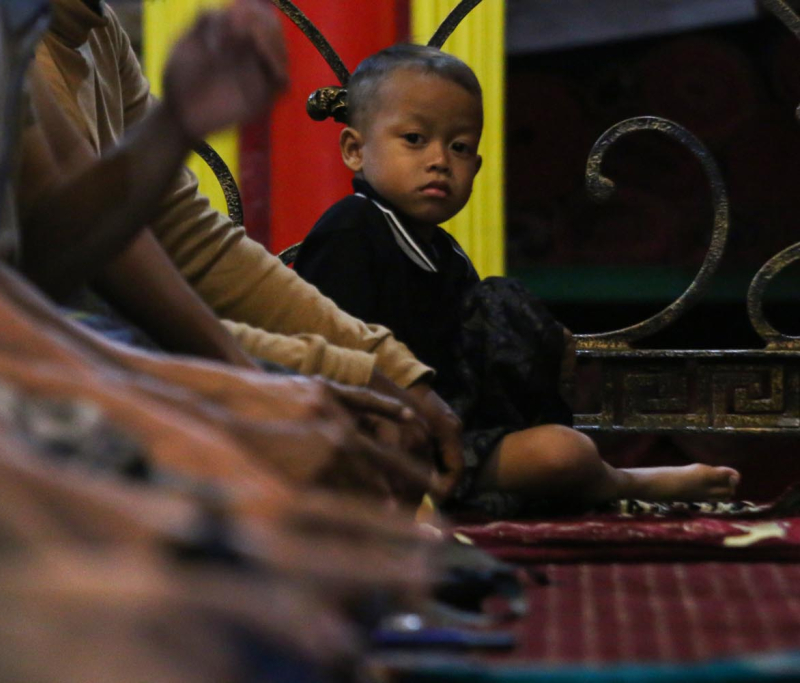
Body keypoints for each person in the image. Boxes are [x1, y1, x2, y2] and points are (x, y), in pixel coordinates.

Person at [27, 0, 465, 488]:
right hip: (41, 369)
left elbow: (189, 237)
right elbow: (81, 280)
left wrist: (391, 370)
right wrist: (315, 376)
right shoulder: (5, 35)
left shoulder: (93, 30)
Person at [294, 44, 740, 512]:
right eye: (414, 139)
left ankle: (583, 481)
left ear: (477, 166)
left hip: (447, 433)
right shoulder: (352, 230)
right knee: (561, 454)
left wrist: (537, 345)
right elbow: (330, 354)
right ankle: (624, 483)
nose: (440, 159)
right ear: (355, 150)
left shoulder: (444, 252)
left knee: (557, 439)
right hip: (372, 439)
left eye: (459, 147)